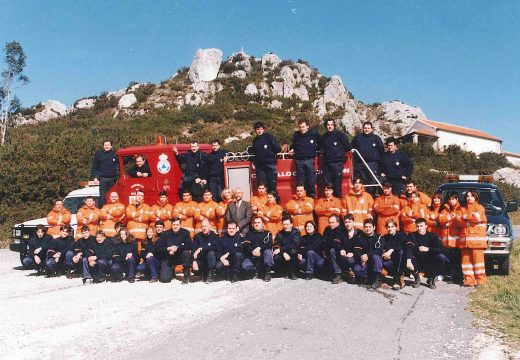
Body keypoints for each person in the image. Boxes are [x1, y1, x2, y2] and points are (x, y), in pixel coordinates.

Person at [405, 218, 449, 289]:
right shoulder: (412, 235)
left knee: (441, 257)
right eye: (417, 226)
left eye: (421, 226)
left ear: (426, 226)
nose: (419, 228)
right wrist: (408, 260)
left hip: (429, 262)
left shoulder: (432, 236)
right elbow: (409, 247)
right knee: (408, 256)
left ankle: (431, 279)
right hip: (417, 260)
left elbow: (441, 249)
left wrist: (428, 249)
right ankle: (417, 278)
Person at [460, 191, 487, 287]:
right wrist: (469, 219)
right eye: (467, 196)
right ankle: (469, 280)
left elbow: (477, 218)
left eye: (471, 196)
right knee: (466, 263)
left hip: (477, 241)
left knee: (478, 262)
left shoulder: (479, 208)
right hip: (465, 241)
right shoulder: (462, 209)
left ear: (476, 198)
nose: (469, 198)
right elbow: (458, 221)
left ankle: (481, 281)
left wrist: (466, 218)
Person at [319, 119, 352, 197]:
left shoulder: (340, 135)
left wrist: (339, 154)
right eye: (328, 125)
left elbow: (348, 147)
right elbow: (320, 149)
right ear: (326, 126)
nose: (330, 126)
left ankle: (338, 203)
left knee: (337, 185)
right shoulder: (324, 137)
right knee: (328, 185)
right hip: (327, 164)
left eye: (331, 124)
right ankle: (329, 203)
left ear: (334, 125)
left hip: (337, 163)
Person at [437, 192, 465, 284]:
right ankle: (448, 276)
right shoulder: (445, 209)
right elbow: (440, 220)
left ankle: (457, 278)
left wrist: (448, 222)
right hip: (446, 241)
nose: (451, 201)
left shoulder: (461, 209)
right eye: (449, 199)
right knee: (448, 259)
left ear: (457, 199)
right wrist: (449, 218)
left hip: (456, 241)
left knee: (457, 261)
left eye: (453, 199)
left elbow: (461, 222)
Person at [351, 121, 384, 196]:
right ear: (363, 129)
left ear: (372, 129)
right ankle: (361, 200)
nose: (367, 130)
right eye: (365, 128)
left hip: (372, 165)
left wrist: (380, 167)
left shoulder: (376, 138)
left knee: (372, 183)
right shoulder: (357, 138)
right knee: (361, 183)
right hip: (360, 165)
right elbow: (351, 150)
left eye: (368, 128)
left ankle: (371, 199)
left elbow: (381, 152)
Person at [372, 219, 407, 289]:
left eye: (392, 226)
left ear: (396, 227)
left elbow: (404, 246)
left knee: (401, 252)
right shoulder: (385, 237)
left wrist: (392, 250)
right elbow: (382, 249)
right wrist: (384, 254)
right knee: (378, 256)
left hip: (399, 261)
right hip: (389, 261)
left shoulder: (401, 234)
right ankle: (379, 277)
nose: (390, 228)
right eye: (388, 227)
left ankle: (399, 278)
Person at [289, 119, 320, 198]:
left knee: (311, 182)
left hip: (309, 160)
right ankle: (302, 202)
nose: (301, 129)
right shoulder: (296, 135)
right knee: (301, 183)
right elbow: (293, 144)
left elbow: (321, 142)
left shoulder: (314, 133)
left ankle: (312, 201)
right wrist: (292, 148)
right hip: (299, 161)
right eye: (300, 127)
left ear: (307, 126)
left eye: (303, 127)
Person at [157, 218, 192, 284]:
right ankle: (171, 271)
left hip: (180, 256)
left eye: (177, 224)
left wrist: (177, 247)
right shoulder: (165, 234)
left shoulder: (185, 233)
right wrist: (168, 249)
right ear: (171, 225)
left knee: (186, 253)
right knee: (164, 279)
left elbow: (189, 245)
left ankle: (186, 274)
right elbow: (158, 248)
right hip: (168, 257)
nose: (175, 226)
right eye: (174, 224)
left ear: (180, 225)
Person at [250, 122, 281, 193]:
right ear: (255, 130)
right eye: (257, 129)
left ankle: (275, 202)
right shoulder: (254, 141)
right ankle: (263, 203)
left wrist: (271, 154)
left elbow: (277, 148)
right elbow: (255, 154)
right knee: (262, 187)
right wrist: (254, 162)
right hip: (260, 167)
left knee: (272, 187)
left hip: (270, 165)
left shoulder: (268, 136)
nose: (259, 131)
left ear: (263, 129)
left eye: (260, 129)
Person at [242, 216, 275, 282]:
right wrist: (252, 251)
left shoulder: (268, 233)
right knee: (245, 266)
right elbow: (246, 244)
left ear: (263, 224)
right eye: (255, 222)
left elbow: (269, 244)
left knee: (268, 251)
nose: (257, 224)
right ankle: (257, 271)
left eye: (259, 222)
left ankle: (267, 273)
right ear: (253, 224)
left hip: (263, 257)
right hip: (253, 256)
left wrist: (259, 248)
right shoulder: (249, 233)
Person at [91, 140, 119, 207]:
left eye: (108, 145)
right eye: (105, 145)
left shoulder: (115, 154)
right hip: (103, 179)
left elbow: (122, 162)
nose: (106, 146)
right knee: (103, 197)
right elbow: (94, 166)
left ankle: (114, 210)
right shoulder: (99, 154)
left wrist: (131, 157)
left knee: (113, 196)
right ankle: (104, 212)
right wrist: (95, 177)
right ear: (103, 146)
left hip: (113, 179)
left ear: (111, 146)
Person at [192, 219, 219, 283]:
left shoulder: (214, 236)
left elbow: (215, 247)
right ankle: (202, 272)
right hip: (201, 260)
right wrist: (193, 261)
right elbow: (194, 251)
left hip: (211, 261)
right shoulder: (197, 237)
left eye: (206, 226)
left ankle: (210, 274)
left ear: (209, 226)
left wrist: (201, 248)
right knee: (195, 263)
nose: (204, 228)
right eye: (203, 226)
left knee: (211, 252)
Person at [353, 219, 379, 284]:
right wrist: (361, 256)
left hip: (375, 262)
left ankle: (377, 278)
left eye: (370, 227)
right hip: (364, 260)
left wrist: (367, 255)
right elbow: (356, 250)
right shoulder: (360, 238)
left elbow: (379, 250)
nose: (368, 229)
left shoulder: (379, 237)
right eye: (366, 227)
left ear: (374, 227)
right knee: (357, 269)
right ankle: (368, 277)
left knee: (376, 257)